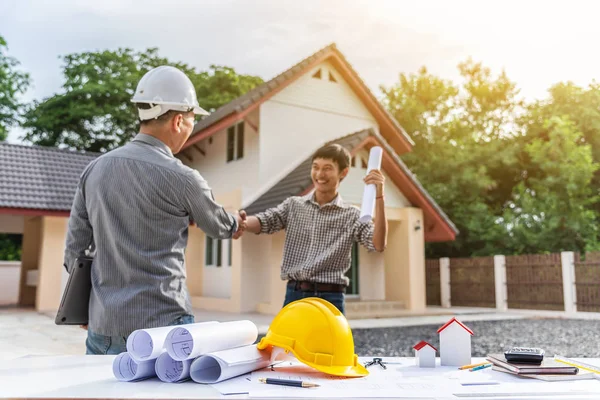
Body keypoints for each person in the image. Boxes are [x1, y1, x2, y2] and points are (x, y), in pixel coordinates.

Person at [63, 66, 246, 355]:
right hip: (162, 331)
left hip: (102, 329)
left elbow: (74, 251)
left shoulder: (94, 170)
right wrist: (235, 217)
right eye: (192, 120)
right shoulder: (182, 177)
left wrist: (87, 307)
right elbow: (220, 226)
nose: (191, 127)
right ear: (177, 121)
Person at [237, 144, 387, 314]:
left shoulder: (352, 214)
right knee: (288, 341)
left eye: (327, 168)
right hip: (295, 294)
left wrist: (379, 196)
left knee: (327, 342)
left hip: (330, 299)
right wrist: (242, 223)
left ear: (343, 172)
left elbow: (378, 244)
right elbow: (266, 220)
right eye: (315, 167)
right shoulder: (293, 205)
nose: (319, 174)